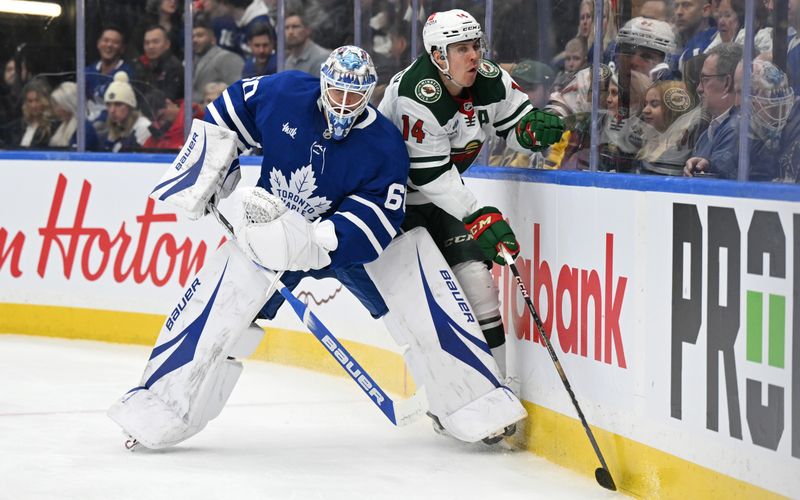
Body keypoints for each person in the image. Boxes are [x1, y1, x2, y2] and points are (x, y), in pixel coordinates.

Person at [109, 45, 414, 449]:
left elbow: (379, 217)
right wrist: (215, 178)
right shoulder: (286, 93)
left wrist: (315, 243)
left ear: (369, 93)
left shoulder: (384, 145)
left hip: (339, 247)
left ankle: (457, 396)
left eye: (354, 96)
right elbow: (226, 115)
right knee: (227, 323)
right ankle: (163, 410)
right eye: (337, 92)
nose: (343, 104)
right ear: (324, 83)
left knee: (405, 307)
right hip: (268, 238)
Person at [378, 9, 564, 387]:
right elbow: (428, 174)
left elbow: (512, 121)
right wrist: (478, 214)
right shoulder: (417, 92)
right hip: (394, 205)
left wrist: (530, 131)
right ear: (438, 56)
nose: (474, 56)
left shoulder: (489, 78)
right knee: (431, 305)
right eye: (461, 48)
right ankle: (448, 391)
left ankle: (498, 389)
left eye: (476, 45)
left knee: (480, 286)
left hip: (441, 200)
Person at [684, 43, 742, 178]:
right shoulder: (708, 132)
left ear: (727, 83)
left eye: (705, 79)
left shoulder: (737, 129)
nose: (699, 88)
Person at [84, 25, 133, 127]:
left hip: (114, 125)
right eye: (106, 40)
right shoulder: (88, 72)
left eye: (115, 42)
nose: (109, 45)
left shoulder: (127, 72)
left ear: (122, 48)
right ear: (98, 44)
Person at [192, 11, 245, 104]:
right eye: (192, 37)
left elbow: (238, 91)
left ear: (213, 39)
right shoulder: (192, 60)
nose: (195, 40)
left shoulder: (227, 57)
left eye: (200, 35)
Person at [132, 25, 184, 118]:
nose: (150, 46)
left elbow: (168, 98)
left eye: (155, 42)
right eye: (147, 43)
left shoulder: (174, 67)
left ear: (167, 44)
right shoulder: (140, 66)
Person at [102, 72, 152, 152]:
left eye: (118, 104)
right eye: (108, 105)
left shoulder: (143, 127)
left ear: (130, 107)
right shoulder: (113, 128)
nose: (112, 110)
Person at [48, 81, 100, 150]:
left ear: (68, 105)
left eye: (58, 105)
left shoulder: (84, 130)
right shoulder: (59, 126)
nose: (55, 109)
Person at [284, 11, 330, 76]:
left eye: (295, 27)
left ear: (307, 30)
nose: (290, 32)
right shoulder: (288, 61)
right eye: (287, 28)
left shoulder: (321, 58)